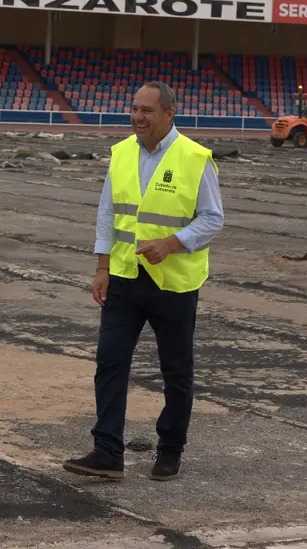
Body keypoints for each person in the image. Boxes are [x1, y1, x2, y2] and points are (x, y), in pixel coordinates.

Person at [63, 81, 224, 482]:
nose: (137, 117)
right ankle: (107, 451)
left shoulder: (194, 157)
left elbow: (212, 218)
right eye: (134, 108)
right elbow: (106, 215)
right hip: (124, 278)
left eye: (146, 110)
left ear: (169, 114)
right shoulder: (120, 154)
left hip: (174, 284)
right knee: (110, 362)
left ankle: (170, 451)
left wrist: (172, 243)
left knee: (176, 371)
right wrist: (102, 268)